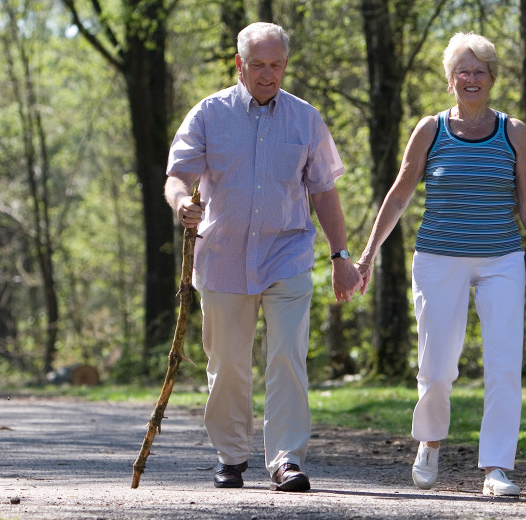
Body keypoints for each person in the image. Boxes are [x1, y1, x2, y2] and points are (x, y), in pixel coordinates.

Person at [355, 32, 526, 496]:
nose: (471, 78)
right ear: (450, 80)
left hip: (501, 257)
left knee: (504, 362)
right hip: (438, 258)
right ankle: (429, 440)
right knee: (438, 363)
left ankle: (497, 468)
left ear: (491, 79)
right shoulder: (431, 129)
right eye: (462, 71)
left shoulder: (514, 132)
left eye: (479, 71)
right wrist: (368, 254)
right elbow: (401, 193)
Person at [164, 22, 362, 492]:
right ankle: (231, 457)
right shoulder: (208, 114)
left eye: (276, 65)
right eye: (258, 65)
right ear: (240, 65)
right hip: (223, 257)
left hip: (287, 253)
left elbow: (325, 192)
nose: (268, 74)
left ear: (285, 65)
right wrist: (181, 205)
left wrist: (341, 255)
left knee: (287, 357)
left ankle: (286, 459)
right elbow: (177, 175)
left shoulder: (305, 119)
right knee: (228, 362)